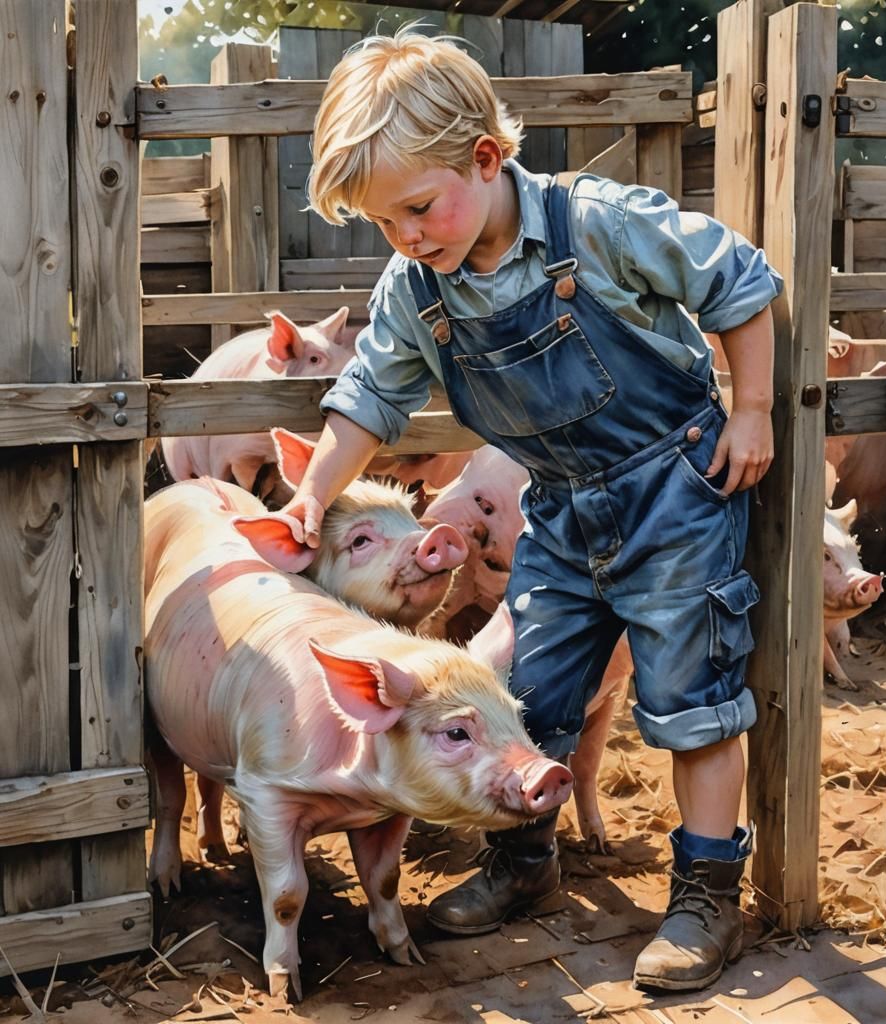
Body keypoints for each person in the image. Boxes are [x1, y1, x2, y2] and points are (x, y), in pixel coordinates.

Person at [282, 26, 783, 993]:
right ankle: (522, 863)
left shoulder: (600, 224)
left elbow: (739, 279)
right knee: (527, 692)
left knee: (691, 695)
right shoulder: (416, 288)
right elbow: (367, 401)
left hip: (675, 492)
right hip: (557, 513)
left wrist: (752, 406)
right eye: (387, 224)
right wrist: (311, 490)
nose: (409, 237)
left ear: (484, 156)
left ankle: (705, 893)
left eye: (419, 209)